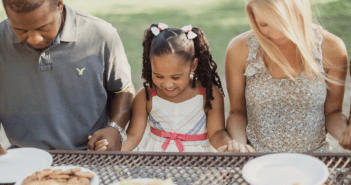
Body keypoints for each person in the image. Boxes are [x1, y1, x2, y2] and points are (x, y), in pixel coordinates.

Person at [0, 0, 134, 152]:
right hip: (23, 156)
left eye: (43, 28)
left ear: (59, 5)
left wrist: (115, 128)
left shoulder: (101, 34)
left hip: (91, 154)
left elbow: (123, 89)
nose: (34, 39)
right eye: (21, 30)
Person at [223, 0, 349, 153]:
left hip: (314, 162)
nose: (276, 34)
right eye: (264, 24)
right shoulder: (239, 49)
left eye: (281, 23)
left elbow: (333, 113)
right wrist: (239, 145)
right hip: (256, 162)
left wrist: (345, 136)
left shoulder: (331, 48)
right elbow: (237, 113)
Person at [97, 23, 231, 152]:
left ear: (193, 65)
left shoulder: (209, 94)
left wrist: (228, 147)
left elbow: (217, 133)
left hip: (198, 165)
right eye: (159, 76)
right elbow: (133, 137)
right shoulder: (146, 96)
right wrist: (112, 150)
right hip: (157, 164)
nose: (167, 84)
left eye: (176, 77)